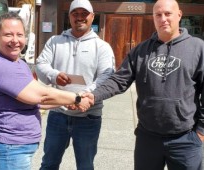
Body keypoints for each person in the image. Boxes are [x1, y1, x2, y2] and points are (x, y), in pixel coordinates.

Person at [83, 0, 204, 169]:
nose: (163, 19)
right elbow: (119, 80)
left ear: (179, 15)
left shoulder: (198, 48)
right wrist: (94, 95)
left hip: (185, 139)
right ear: (153, 17)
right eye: (158, 15)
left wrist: (201, 130)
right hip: (148, 138)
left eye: (168, 14)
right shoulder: (141, 51)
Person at [0, 12, 90, 170]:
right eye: (8, 34)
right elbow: (41, 94)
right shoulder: (1, 67)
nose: (15, 40)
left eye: (19, 34)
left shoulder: (18, 63)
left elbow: (34, 102)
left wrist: (65, 104)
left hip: (16, 149)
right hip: (8, 150)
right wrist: (76, 98)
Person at [36, 0, 115, 169]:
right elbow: (41, 65)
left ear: (92, 17)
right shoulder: (55, 42)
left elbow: (106, 77)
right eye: (75, 14)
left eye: (84, 14)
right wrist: (54, 75)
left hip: (89, 117)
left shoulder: (102, 47)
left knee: (85, 166)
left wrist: (79, 97)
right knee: (49, 163)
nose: (80, 18)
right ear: (69, 17)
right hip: (58, 114)